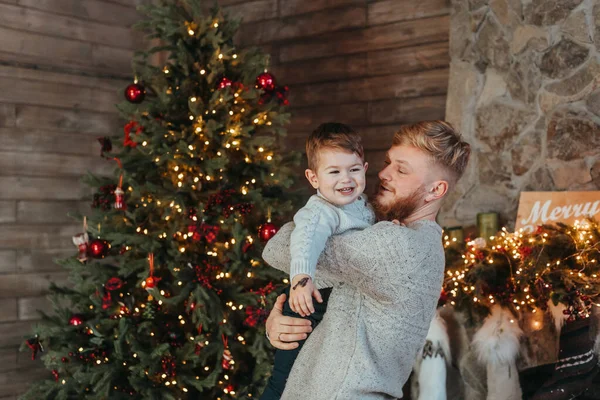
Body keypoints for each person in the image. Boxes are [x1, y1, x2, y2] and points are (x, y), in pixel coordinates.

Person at [262, 121, 471, 399]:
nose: (383, 173)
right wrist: (279, 325)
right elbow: (332, 287)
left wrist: (318, 219)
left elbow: (276, 248)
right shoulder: (401, 235)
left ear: (436, 190)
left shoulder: (400, 244)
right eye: (387, 162)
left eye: (401, 169)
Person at [261, 122, 375, 399]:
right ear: (313, 179)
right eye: (334, 172)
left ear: (365, 168)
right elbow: (306, 241)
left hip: (332, 305)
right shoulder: (321, 211)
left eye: (354, 170)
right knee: (286, 380)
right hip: (308, 300)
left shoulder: (362, 205)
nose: (345, 179)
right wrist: (302, 278)